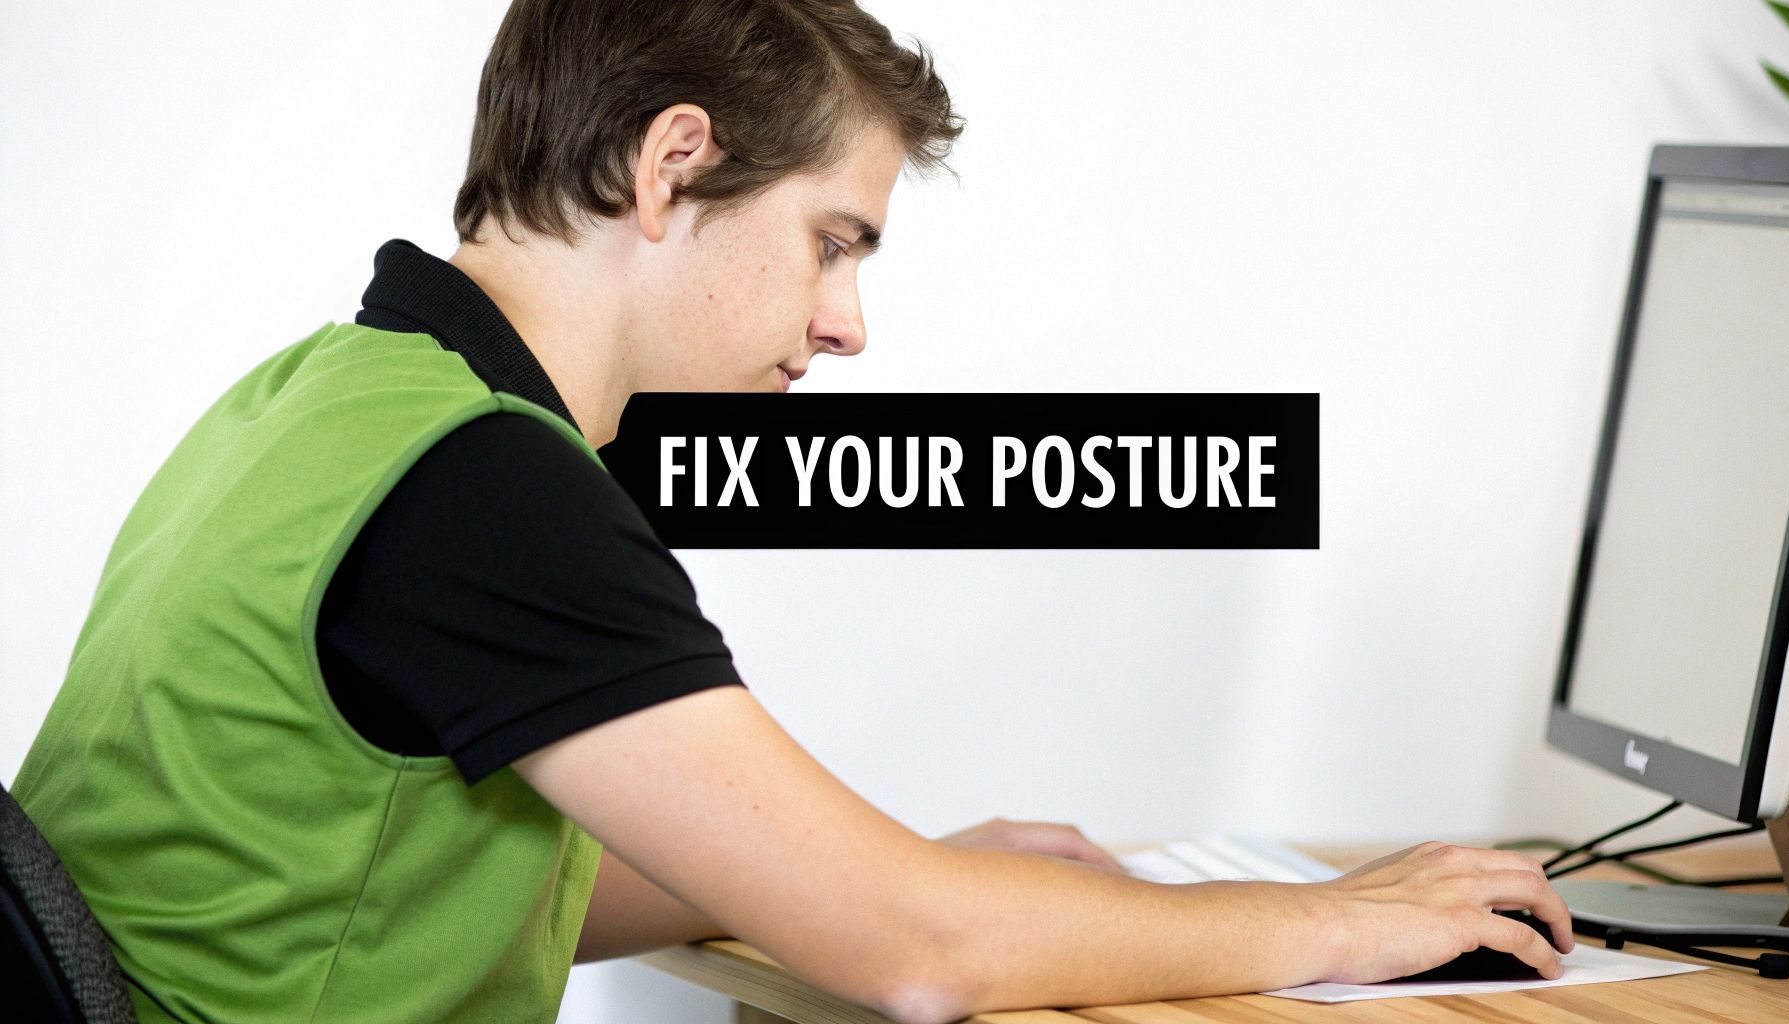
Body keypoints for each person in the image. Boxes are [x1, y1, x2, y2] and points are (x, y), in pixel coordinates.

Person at [13, 1, 1574, 1021]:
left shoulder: (328, 394)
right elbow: (919, 960)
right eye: (834, 243)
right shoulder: (486, 489)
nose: (847, 327)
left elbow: (424, 865)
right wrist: (1340, 927)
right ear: (671, 163)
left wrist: (859, 868)